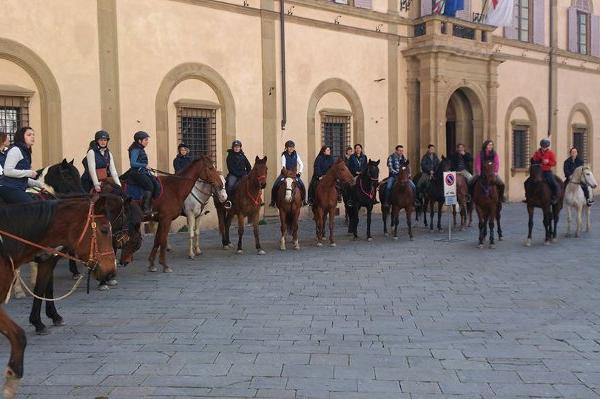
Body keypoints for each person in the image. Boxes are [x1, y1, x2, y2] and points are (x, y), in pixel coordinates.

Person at [0, 127, 44, 204]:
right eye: (29, 135)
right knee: (33, 207)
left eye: (33, 135)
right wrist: (29, 173)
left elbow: (22, 178)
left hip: (16, 188)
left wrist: (40, 185)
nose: (32, 137)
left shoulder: (25, 152)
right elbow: (7, 171)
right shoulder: (16, 150)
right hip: (8, 188)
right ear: (21, 137)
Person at [127, 131, 160, 215]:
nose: (147, 142)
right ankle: (145, 209)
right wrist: (144, 165)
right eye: (145, 140)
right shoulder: (135, 150)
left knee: (155, 183)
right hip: (136, 173)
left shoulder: (140, 149)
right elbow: (133, 163)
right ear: (139, 141)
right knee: (149, 186)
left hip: (142, 172)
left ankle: (152, 205)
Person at [270, 140, 306, 207]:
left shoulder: (296, 155)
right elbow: (283, 166)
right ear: (286, 148)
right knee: (275, 185)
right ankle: (273, 201)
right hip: (285, 174)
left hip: (294, 174)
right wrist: (286, 173)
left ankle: (304, 201)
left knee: (302, 185)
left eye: (292, 147)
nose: (291, 148)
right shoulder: (284, 155)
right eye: (289, 147)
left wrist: (300, 172)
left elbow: (301, 164)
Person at [531, 138, 559, 204]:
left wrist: (548, 162)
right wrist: (538, 160)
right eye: (543, 147)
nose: (544, 148)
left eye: (545, 147)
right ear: (541, 146)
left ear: (547, 147)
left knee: (554, 183)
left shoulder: (551, 153)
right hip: (538, 171)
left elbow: (554, 163)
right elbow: (533, 160)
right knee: (529, 182)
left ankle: (555, 197)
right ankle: (530, 197)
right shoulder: (537, 152)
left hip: (547, 171)